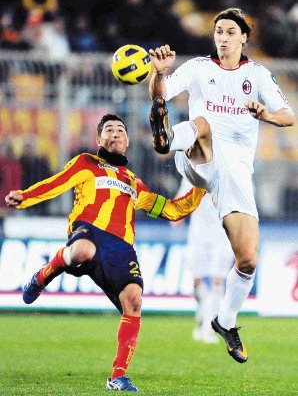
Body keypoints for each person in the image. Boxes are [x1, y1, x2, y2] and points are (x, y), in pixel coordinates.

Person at [5, 113, 206, 392]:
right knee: (82, 251)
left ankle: (118, 376)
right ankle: (42, 276)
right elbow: (56, 183)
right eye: (108, 130)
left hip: (121, 247)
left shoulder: (134, 183)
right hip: (87, 230)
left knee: (133, 300)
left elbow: (173, 210)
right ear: (99, 139)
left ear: (126, 141)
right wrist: (24, 197)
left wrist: (201, 188)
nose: (115, 133)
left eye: (120, 130)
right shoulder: (86, 163)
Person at [148, 7, 295, 363]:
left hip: (234, 176)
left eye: (230, 32)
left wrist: (265, 114)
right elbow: (161, 93)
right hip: (197, 158)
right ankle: (167, 136)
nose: (223, 38)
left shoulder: (257, 75)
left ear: (244, 37)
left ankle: (225, 321)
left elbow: (288, 116)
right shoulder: (199, 67)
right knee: (203, 124)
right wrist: (157, 74)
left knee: (248, 260)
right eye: (218, 32)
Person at [175, 178, 234, 344]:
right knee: (197, 281)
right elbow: (180, 201)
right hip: (198, 233)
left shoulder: (227, 173)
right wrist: (177, 217)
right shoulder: (191, 175)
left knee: (217, 279)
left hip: (222, 234)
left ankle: (210, 326)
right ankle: (202, 314)